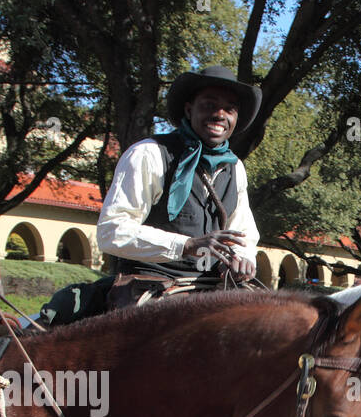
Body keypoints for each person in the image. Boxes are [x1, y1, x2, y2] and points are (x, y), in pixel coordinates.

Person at [97, 65, 262, 291]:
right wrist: (186, 244)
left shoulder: (235, 168)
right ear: (188, 110)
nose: (220, 115)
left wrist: (241, 259)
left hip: (213, 286)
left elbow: (243, 234)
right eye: (209, 105)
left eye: (229, 109)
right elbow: (111, 230)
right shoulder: (150, 153)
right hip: (151, 283)